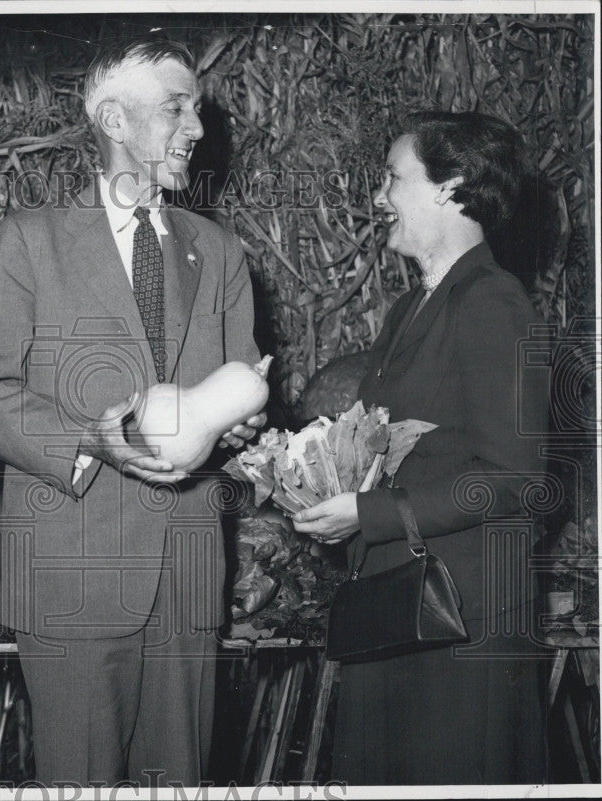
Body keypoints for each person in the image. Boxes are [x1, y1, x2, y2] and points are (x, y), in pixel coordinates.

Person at [0, 39, 266, 786]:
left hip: (188, 571)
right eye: (175, 108)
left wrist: (239, 426)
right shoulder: (28, 243)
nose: (195, 127)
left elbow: (235, 390)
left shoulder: (220, 253)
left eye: (196, 109)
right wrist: (87, 444)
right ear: (113, 120)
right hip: (72, 572)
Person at [293, 110, 549, 784]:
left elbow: (514, 480)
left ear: (451, 186)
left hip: (460, 626)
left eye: (393, 178)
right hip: (396, 615)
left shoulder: (495, 303)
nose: (379, 197)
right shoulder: (411, 310)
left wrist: (370, 513)